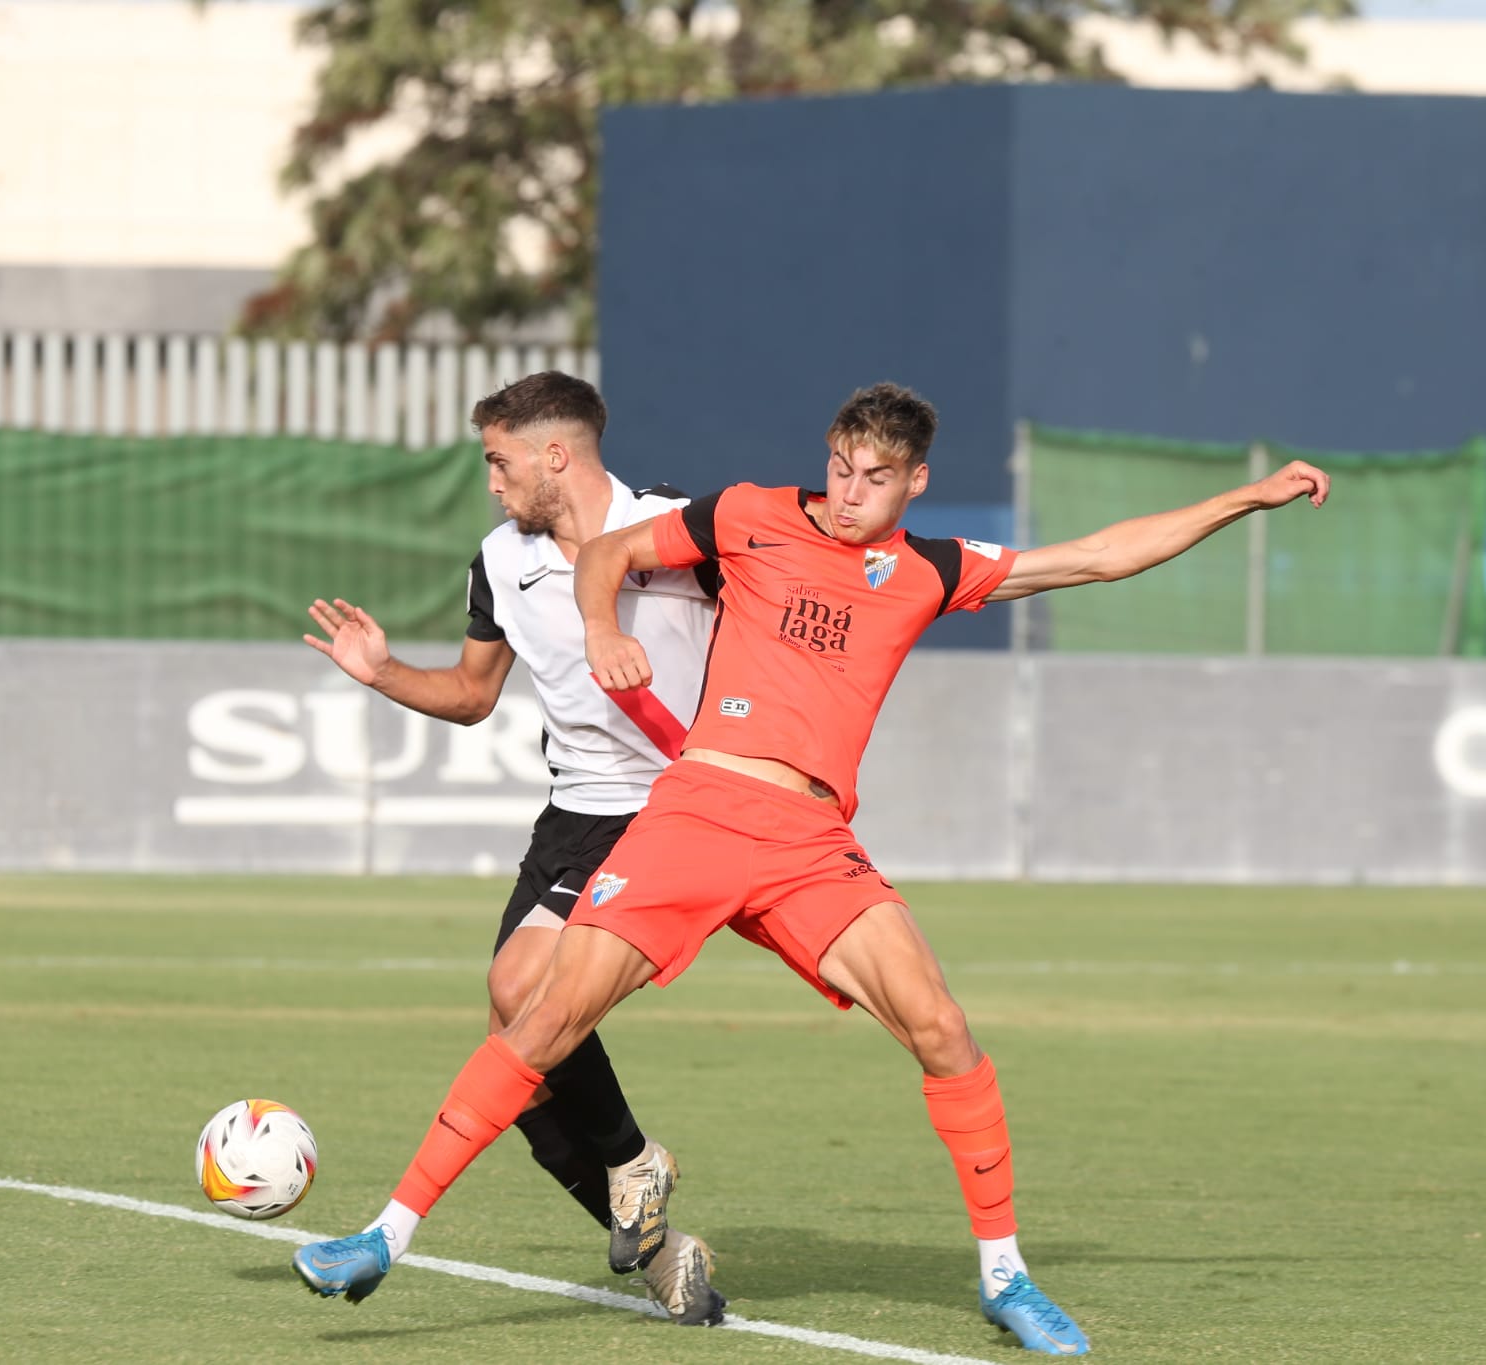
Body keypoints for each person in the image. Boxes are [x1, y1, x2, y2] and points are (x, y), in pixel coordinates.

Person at [292, 380, 1330, 1354]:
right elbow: (604, 556)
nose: (846, 492)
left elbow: (1099, 556)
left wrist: (1248, 496)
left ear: (912, 481)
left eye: (872, 477)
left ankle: (1005, 1278)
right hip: (694, 812)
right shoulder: (746, 514)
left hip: (809, 845)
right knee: (539, 1013)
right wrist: (602, 630)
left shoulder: (929, 570)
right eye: (837, 467)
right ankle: (387, 1233)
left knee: (942, 1030)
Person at [295, 370, 726, 1325]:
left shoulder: (682, 530)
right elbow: (472, 693)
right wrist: (381, 671)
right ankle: (662, 1249)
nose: (492, 481)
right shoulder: (500, 559)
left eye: (499, 460)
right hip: (571, 818)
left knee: (518, 995)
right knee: (522, 1074)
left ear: (554, 456)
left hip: (673, 810)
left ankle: (631, 1163)